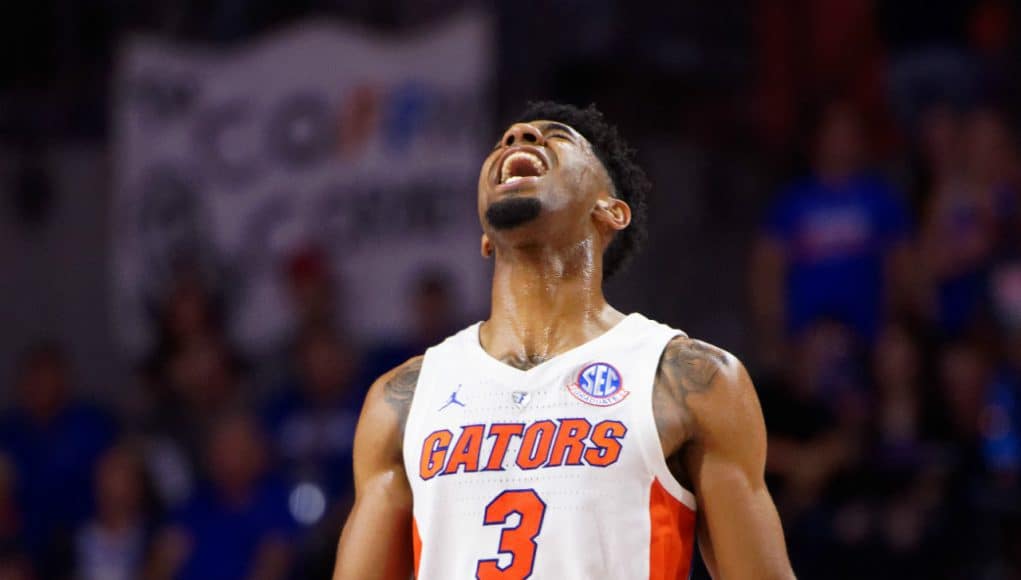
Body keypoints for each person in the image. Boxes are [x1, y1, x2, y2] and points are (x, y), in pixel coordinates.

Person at [333, 102, 793, 579]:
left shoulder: (686, 379)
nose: (519, 137)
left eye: (557, 137)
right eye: (505, 140)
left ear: (611, 211)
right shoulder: (404, 399)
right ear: (485, 238)